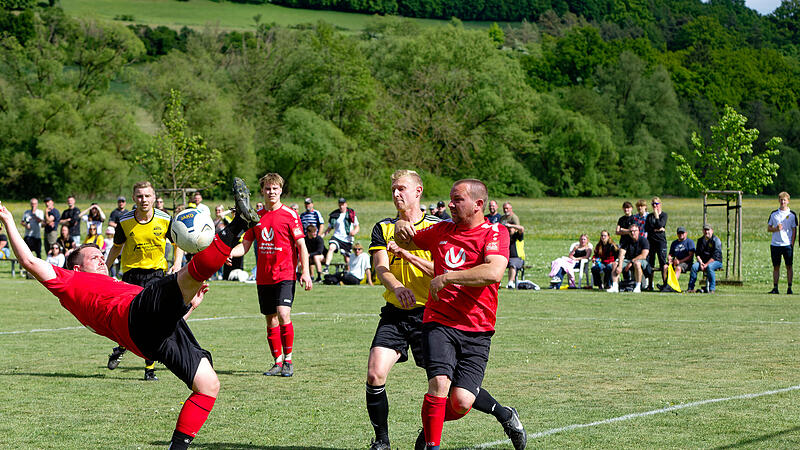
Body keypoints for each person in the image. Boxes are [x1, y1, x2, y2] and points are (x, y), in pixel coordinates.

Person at [0, 177, 260, 449]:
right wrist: (8, 220)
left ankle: (177, 447)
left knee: (208, 386)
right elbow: (29, 260)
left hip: (149, 335)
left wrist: (189, 307)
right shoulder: (68, 282)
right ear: (76, 268)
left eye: (101, 254)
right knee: (190, 274)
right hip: (135, 313)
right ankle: (239, 224)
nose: (102, 258)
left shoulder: (112, 283)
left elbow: (159, 323)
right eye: (93, 256)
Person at [394, 179, 526, 450]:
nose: (451, 204)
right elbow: (404, 240)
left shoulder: (495, 232)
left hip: (478, 327)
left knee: (462, 401)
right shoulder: (441, 230)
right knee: (439, 384)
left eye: (458, 200)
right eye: (450, 199)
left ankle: (442, 425)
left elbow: (493, 272)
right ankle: (433, 444)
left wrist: (448, 277)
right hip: (438, 322)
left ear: (478, 205)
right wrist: (399, 227)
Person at [365, 169, 441, 449]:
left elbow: (444, 270)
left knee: (448, 386)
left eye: (402, 188)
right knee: (375, 374)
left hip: (432, 314)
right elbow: (381, 267)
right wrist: (397, 287)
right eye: (394, 189)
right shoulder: (383, 227)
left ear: (418, 191)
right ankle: (382, 440)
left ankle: (503, 413)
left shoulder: (438, 227)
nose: (396, 194)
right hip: (395, 313)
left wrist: (409, 254)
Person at [229, 173, 313, 377]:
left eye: (275, 188)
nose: (271, 192)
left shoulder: (290, 215)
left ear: (281, 190)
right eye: (267, 188)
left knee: (283, 314)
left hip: (285, 274)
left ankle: (288, 361)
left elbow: (301, 245)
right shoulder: (255, 217)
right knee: (271, 320)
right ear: (262, 191)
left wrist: (306, 272)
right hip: (264, 277)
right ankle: (277, 362)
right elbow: (246, 246)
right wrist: (228, 252)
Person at [105, 181, 183, 381]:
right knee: (128, 319)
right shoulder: (125, 221)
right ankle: (121, 346)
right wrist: (105, 267)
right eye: (139, 196)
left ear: (154, 197)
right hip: (131, 275)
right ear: (133, 198)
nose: (144, 200)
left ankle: (150, 369)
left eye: (147, 196)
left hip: (156, 274)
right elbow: (116, 247)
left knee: (152, 320)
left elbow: (179, 242)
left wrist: (177, 263)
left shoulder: (165, 220)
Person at [767, 192, 797, 294]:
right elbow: (769, 228)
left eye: (784, 200)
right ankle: (775, 288)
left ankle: (789, 288)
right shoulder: (774, 214)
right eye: (781, 200)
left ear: (788, 201)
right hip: (775, 244)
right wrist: (775, 229)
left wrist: (792, 244)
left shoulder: (792, 215)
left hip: (787, 245)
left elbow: (794, 230)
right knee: (776, 267)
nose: (782, 202)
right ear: (778, 201)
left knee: (789, 266)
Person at [607, 224, 649, 293]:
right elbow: (621, 253)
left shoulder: (644, 240)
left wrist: (632, 262)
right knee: (615, 264)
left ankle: (638, 286)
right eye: (631, 231)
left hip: (641, 260)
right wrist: (620, 266)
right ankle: (615, 286)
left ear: (638, 231)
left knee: (637, 263)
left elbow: (644, 255)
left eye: (634, 231)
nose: (632, 233)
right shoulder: (626, 241)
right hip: (627, 260)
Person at [322, 197, 360, 271]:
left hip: (347, 239)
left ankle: (349, 272)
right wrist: (323, 235)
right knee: (331, 247)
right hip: (337, 237)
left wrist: (354, 231)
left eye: (343, 204)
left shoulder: (351, 214)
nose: (341, 206)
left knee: (346, 258)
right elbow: (330, 228)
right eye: (340, 205)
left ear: (346, 204)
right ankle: (326, 267)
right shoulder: (335, 215)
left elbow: (357, 226)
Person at [687, 224, 723, 293]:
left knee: (710, 267)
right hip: (703, 262)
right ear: (703, 231)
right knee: (694, 267)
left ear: (712, 231)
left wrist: (706, 264)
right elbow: (697, 253)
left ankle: (712, 289)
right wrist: (701, 263)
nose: (706, 232)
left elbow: (715, 256)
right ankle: (690, 288)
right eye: (705, 230)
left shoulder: (716, 240)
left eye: (708, 230)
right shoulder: (700, 240)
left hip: (716, 261)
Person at [644, 197, 668, 290]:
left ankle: (665, 285)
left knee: (662, 262)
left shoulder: (664, 215)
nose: (654, 205)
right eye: (653, 204)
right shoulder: (649, 216)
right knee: (650, 263)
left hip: (661, 242)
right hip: (651, 242)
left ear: (660, 204)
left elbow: (660, 224)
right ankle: (650, 285)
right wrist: (658, 229)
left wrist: (657, 215)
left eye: (656, 204)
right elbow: (647, 228)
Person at [506, 222, 525, 289]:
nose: (509, 229)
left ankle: (510, 283)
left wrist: (511, 225)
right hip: (507, 258)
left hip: (518, 258)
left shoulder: (518, 236)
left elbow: (522, 228)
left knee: (512, 264)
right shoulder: (505, 236)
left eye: (511, 228)